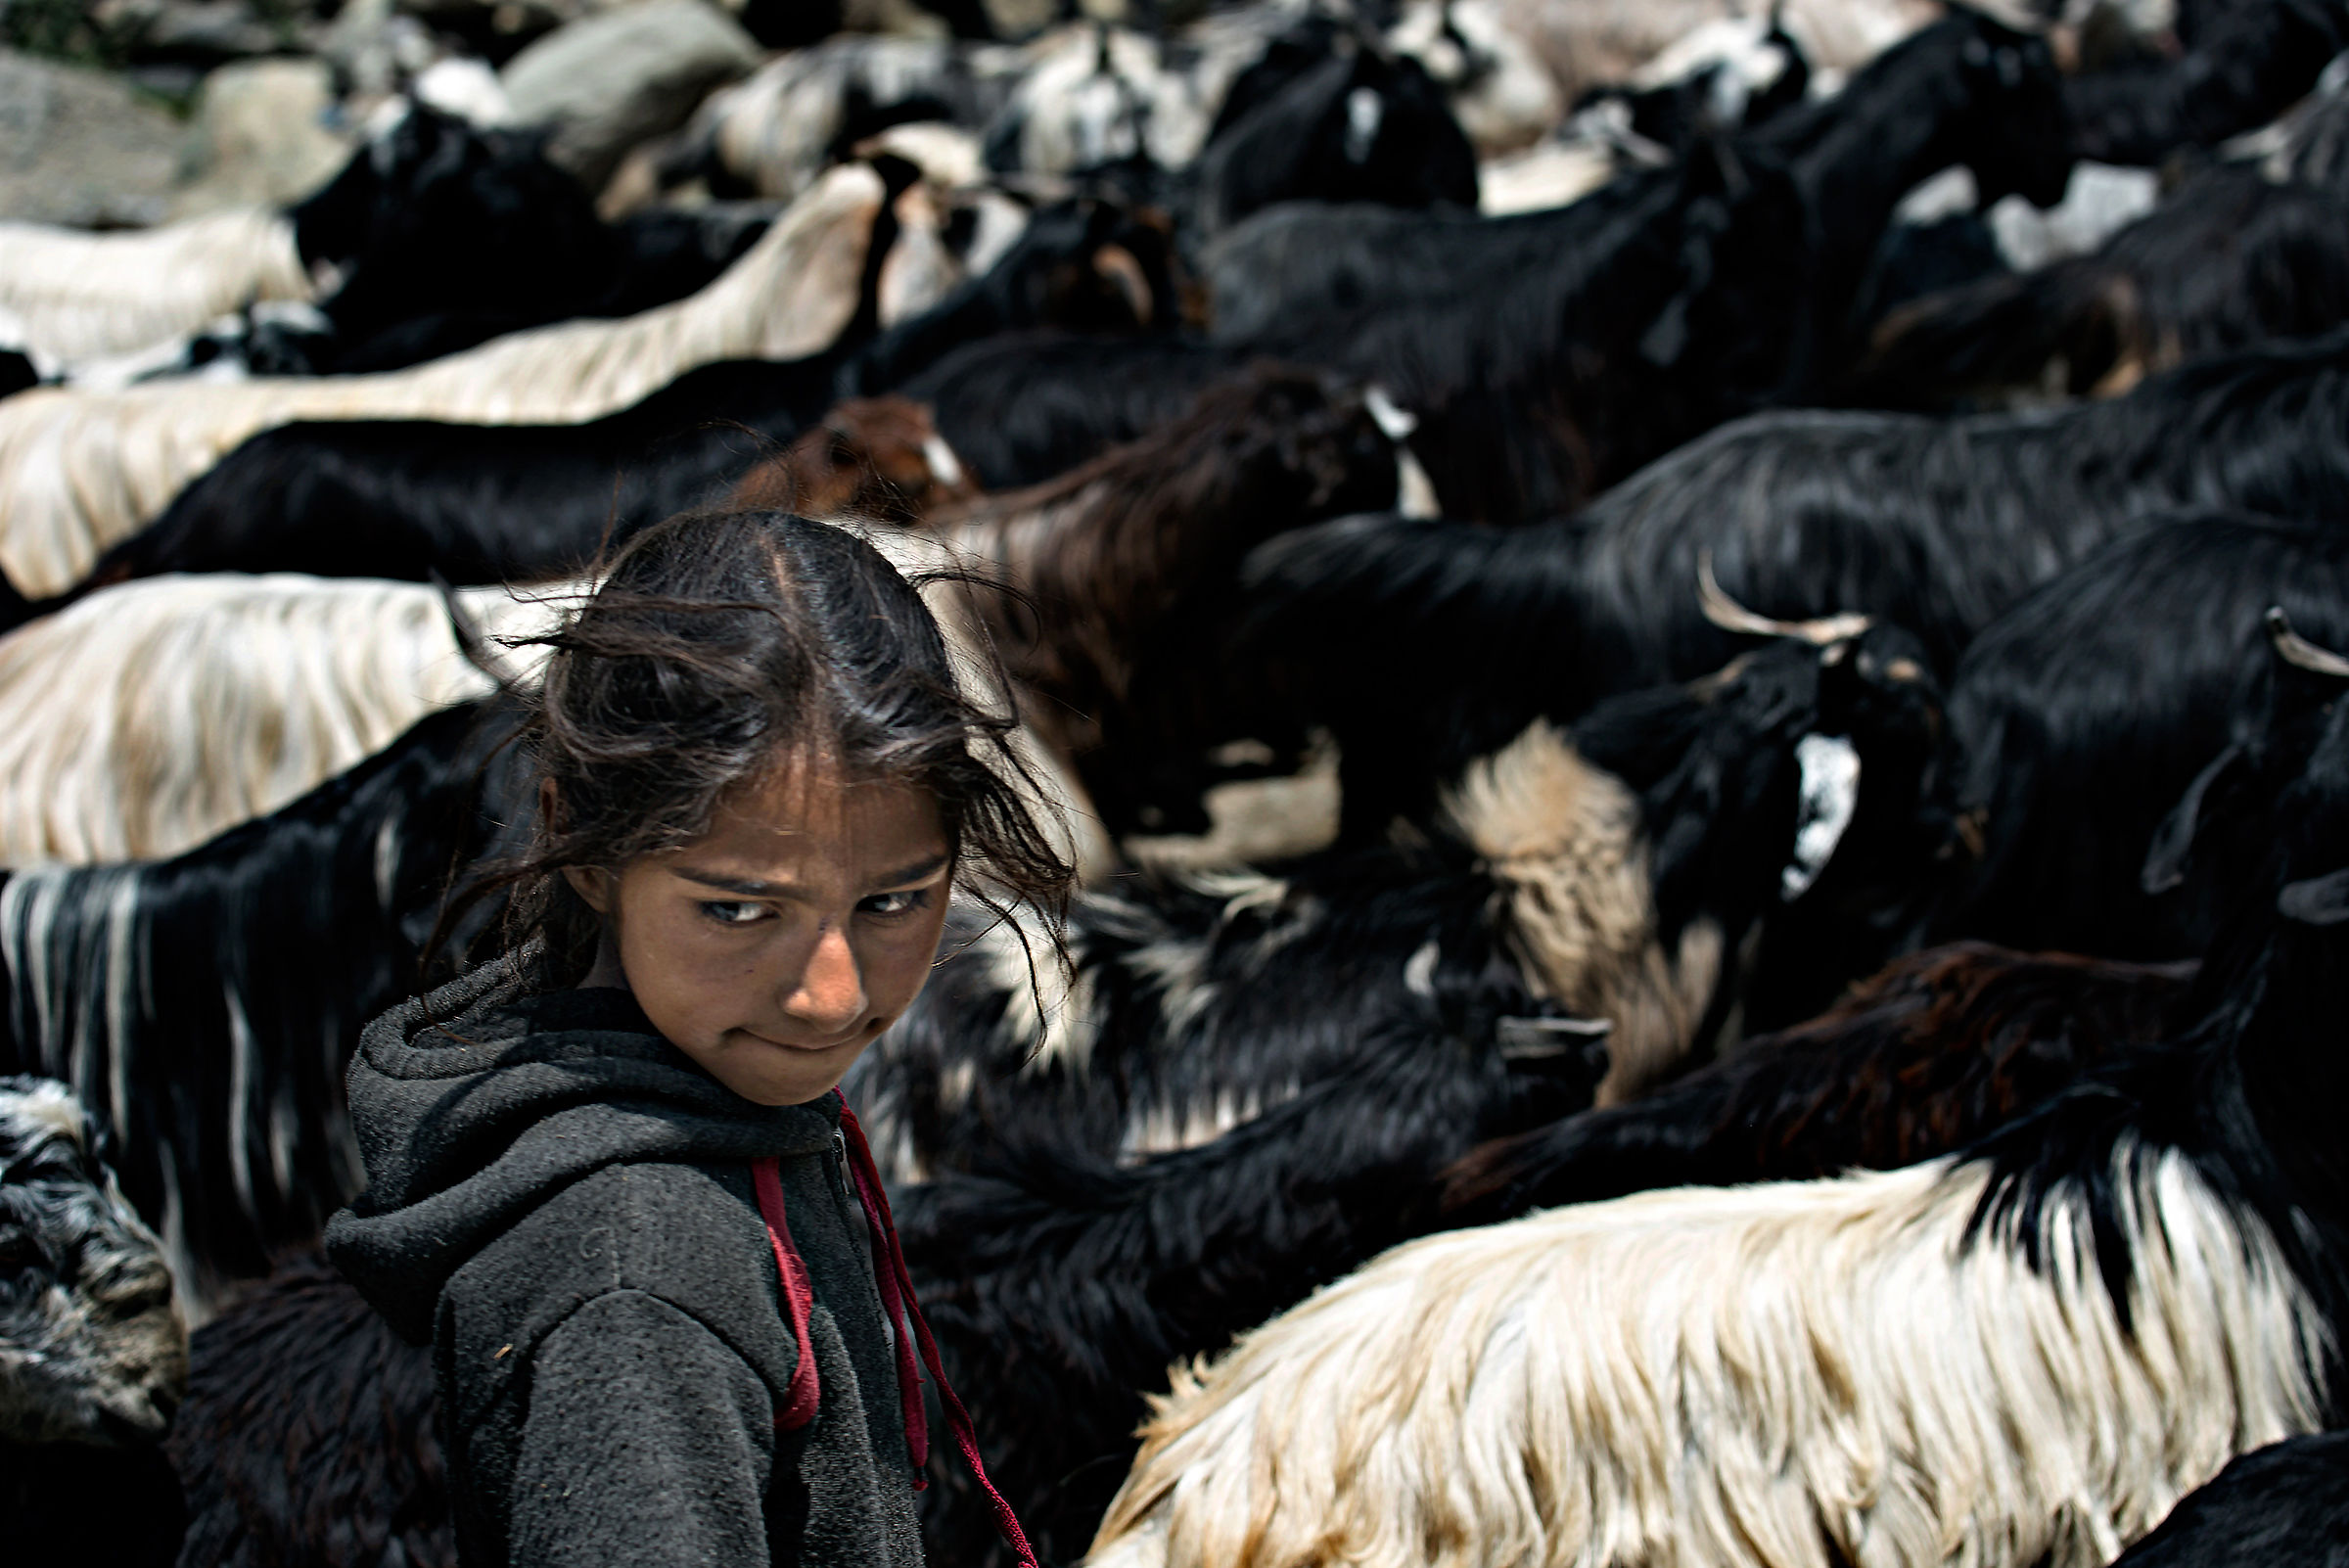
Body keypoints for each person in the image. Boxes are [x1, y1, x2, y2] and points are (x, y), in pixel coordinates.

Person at [326, 509, 1074, 1567]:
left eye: (894, 902)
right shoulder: (640, 1280)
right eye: (736, 910)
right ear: (582, 847)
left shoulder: (722, 1101)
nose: (829, 996)